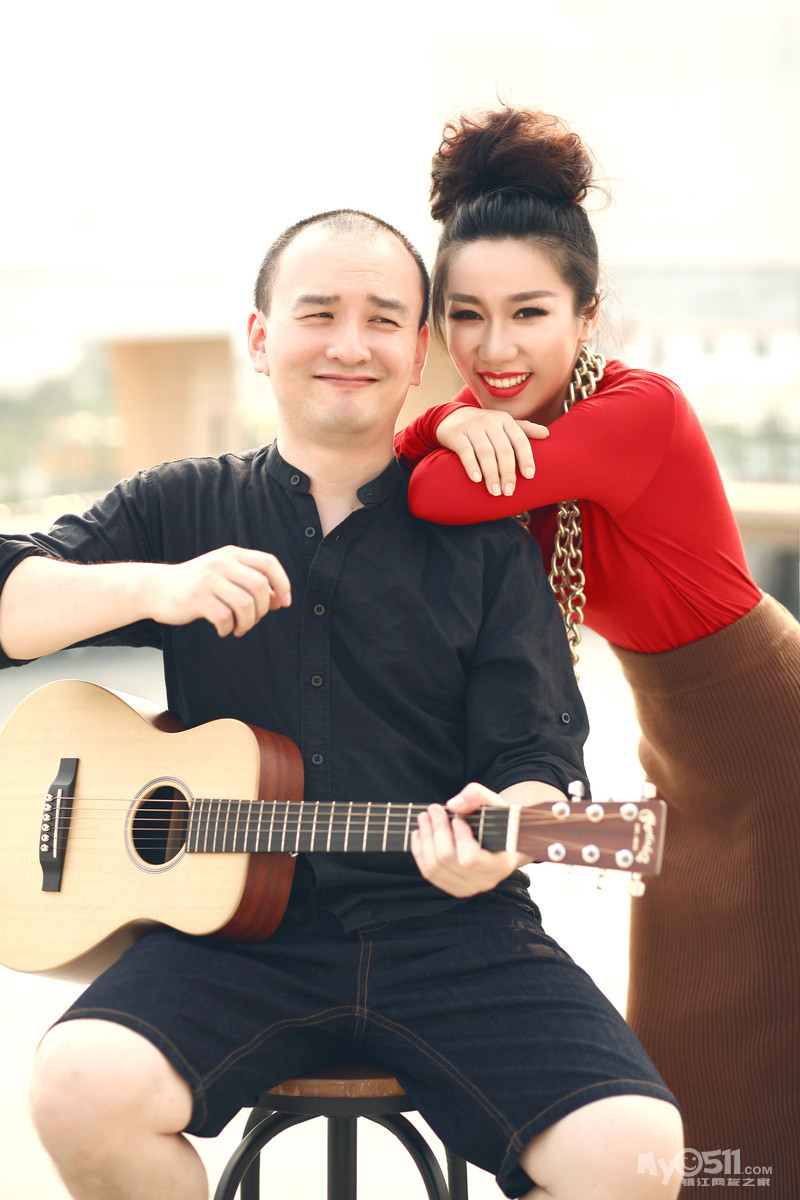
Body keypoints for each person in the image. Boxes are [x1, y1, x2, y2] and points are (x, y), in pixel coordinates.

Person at [0, 210, 681, 1200]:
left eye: (383, 319)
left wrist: (502, 830)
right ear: (259, 337)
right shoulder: (178, 507)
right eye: (318, 313)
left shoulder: (486, 543)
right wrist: (155, 587)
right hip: (226, 941)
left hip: (455, 936)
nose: (350, 345)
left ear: (418, 353)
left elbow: (537, 752)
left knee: (636, 1154)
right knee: (77, 1087)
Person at [394, 106, 800, 1193]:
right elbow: (414, 482)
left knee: (764, 1036)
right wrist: (447, 421)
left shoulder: (637, 411)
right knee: (682, 1029)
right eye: (465, 316)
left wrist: (438, 427)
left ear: (588, 313)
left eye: (529, 312)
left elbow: (431, 493)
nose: (494, 349)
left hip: (774, 734)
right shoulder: (513, 430)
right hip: (687, 754)